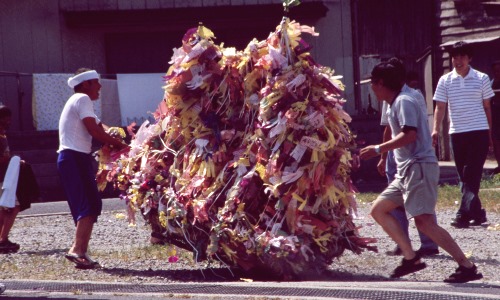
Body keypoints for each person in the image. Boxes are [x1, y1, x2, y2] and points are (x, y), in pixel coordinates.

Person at [360, 58, 482, 283]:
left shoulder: (404, 100)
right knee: (379, 209)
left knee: (425, 222)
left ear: (382, 83)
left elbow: (410, 134)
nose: (372, 89)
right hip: (406, 171)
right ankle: (411, 258)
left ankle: (467, 266)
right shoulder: (402, 98)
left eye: (373, 84)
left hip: (418, 168)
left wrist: (378, 149)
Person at [58, 68, 127, 269]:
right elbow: (94, 130)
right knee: (88, 204)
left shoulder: (80, 102)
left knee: (92, 204)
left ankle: (81, 252)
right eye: (96, 82)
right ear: (86, 83)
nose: (100, 86)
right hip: (73, 157)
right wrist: (122, 146)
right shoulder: (82, 98)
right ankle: (77, 250)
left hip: (76, 158)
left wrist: (119, 134)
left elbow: (101, 126)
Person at [432, 41, 495, 228]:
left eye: (462, 56)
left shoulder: (482, 78)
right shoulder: (445, 80)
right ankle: (478, 212)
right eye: (455, 57)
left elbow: (487, 107)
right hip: (457, 133)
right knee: (464, 176)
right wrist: (435, 128)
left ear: (469, 58)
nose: (458, 60)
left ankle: (462, 214)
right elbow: (440, 107)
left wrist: (490, 134)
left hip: (479, 132)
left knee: (472, 174)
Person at [378, 65, 438, 257]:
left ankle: (430, 244)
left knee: (422, 212)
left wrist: (379, 149)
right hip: (399, 158)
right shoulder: (389, 99)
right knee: (385, 207)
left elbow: (410, 132)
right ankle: (404, 245)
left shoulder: (408, 99)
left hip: (416, 161)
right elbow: (389, 128)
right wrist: (384, 155)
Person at [0, 105, 40, 253]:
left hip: (5, 176)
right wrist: (12, 160)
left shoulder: (3, 135)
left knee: (4, 208)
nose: (8, 120)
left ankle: (1, 239)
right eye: (4, 117)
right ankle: (3, 239)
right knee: (12, 207)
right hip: (4, 177)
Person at [490, 60, 500, 174]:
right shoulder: (491, 84)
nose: (497, 73)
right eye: (495, 71)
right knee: (496, 141)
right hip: (495, 116)